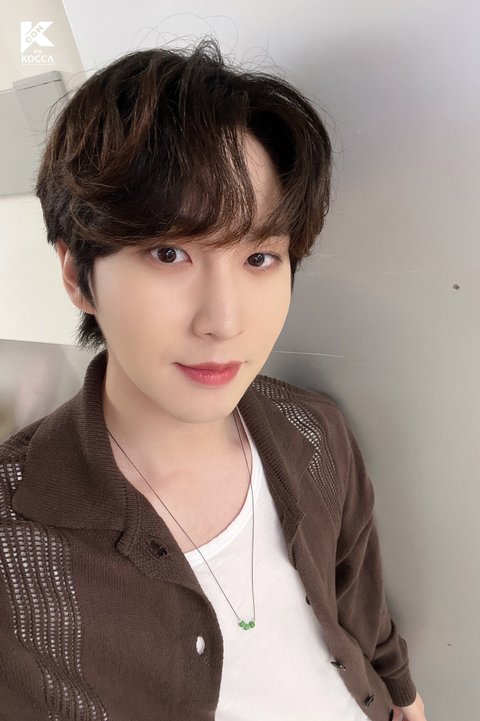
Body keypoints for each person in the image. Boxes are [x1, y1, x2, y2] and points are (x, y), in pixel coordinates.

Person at [0, 37, 426, 721]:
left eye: (259, 257)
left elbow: (360, 605)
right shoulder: (13, 543)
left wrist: (402, 692)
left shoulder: (315, 431)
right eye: (169, 253)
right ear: (78, 274)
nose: (224, 322)